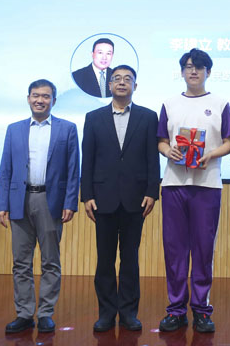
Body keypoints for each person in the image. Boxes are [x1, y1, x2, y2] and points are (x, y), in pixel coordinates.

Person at [157, 48, 230, 333]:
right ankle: (176, 310)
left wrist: (211, 154)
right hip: (174, 185)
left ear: (208, 72)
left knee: (203, 250)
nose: (193, 71)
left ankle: (201, 310)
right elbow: (161, 140)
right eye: (189, 67)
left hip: (207, 185)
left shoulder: (220, 103)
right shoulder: (169, 103)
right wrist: (168, 151)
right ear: (182, 71)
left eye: (199, 67)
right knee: (175, 250)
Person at [0, 79, 80, 334]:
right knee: (21, 262)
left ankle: (45, 314)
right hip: (19, 200)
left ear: (54, 100)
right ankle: (24, 314)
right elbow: (5, 169)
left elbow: (73, 169)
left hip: (50, 201)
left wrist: (70, 202)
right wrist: (2, 204)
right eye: (35, 95)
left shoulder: (67, 129)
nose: (40, 100)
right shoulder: (14, 130)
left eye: (45, 96)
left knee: (50, 261)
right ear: (28, 98)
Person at [80, 65, 160, 333]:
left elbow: (152, 158)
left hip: (136, 199)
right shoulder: (93, 118)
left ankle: (128, 313)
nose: (122, 82)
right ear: (110, 85)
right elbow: (88, 159)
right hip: (102, 198)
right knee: (104, 260)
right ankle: (106, 313)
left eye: (128, 79)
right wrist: (87, 195)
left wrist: (152, 191)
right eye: (117, 79)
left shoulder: (148, 117)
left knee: (130, 259)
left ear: (135, 86)